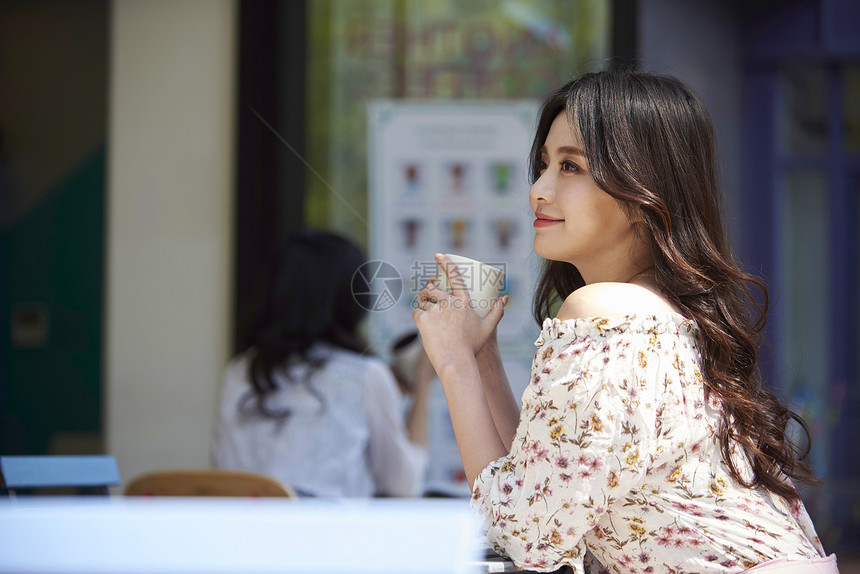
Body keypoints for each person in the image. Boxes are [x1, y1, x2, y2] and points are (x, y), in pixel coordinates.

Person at [413, 70, 837, 573]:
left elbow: (528, 535)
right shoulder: (660, 313)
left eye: (571, 167)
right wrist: (482, 358)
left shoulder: (608, 312)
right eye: (544, 164)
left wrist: (455, 363)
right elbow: (539, 484)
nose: (538, 191)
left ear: (642, 190)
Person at [213, 229, 429, 497]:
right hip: (330, 536)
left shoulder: (240, 372)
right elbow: (404, 484)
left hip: (245, 534)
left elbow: (226, 470)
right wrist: (422, 382)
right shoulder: (365, 374)